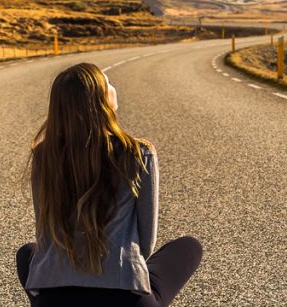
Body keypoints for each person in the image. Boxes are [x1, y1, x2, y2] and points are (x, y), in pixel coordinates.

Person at [16, 62, 202, 307]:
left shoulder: (43, 156)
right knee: (190, 247)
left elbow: (45, 234)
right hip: (123, 298)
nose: (114, 86)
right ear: (100, 100)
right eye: (108, 82)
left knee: (28, 253)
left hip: (55, 298)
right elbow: (145, 244)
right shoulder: (138, 152)